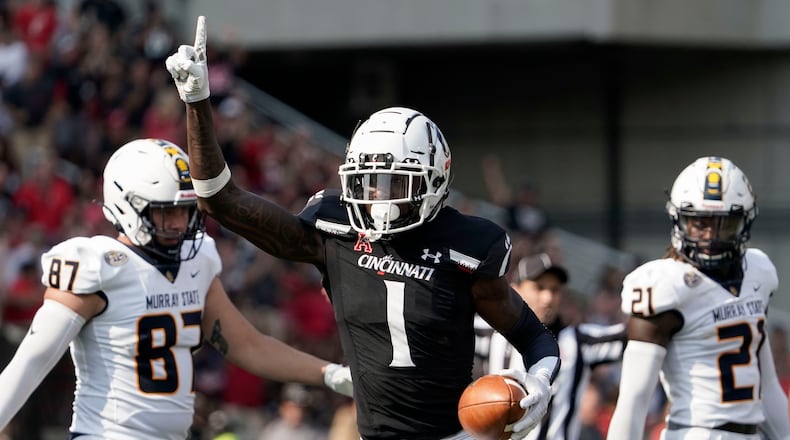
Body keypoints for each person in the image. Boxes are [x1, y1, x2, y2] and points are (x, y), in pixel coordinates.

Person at [165, 16, 560, 440]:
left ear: (435, 179)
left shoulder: (469, 244)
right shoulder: (333, 226)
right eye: (368, 182)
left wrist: (538, 380)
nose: (379, 199)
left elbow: (535, 338)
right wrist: (197, 100)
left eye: (395, 184)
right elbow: (219, 200)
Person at [0, 138, 352, 439]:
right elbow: (33, 359)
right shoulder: (99, 266)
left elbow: (248, 345)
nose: (177, 223)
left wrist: (330, 374)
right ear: (124, 204)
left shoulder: (196, 261)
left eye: (184, 211)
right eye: (163, 213)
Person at [607, 156, 790, 440]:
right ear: (678, 219)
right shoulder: (665, 285)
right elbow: (633, 401)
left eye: (724, 225)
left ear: (744, 222)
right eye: (699, 223)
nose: (710, 237)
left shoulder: (758, 271)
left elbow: (766, 385)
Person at [475, 253, 626, 440]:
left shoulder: (580, 341)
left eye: (555, 290)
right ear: (515, 290)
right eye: (539, 287)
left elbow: (633, 336)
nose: (547, 298)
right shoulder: (489, 333)